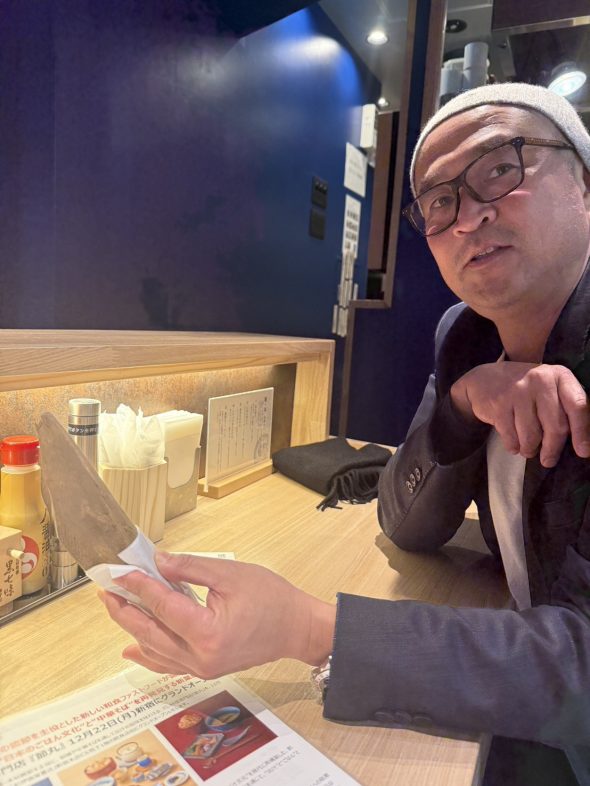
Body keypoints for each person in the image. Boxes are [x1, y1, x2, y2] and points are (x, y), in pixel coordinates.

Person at [101, 83, 590, 784]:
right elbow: (405, 522)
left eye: (500, 168)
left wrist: (307, 628)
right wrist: (461, 405)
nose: (468, 216)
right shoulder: (468, 336)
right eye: (440, 201)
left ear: (583, 185)